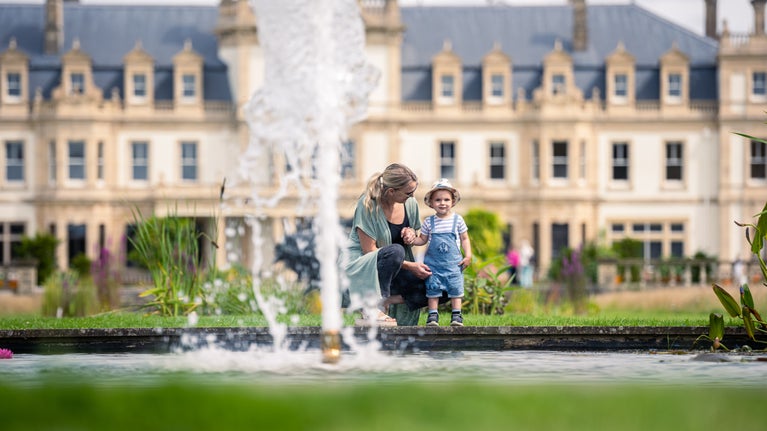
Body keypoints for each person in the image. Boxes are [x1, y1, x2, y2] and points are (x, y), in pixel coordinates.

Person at [344, 163, 435, 326]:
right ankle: (371, 305)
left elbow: (415, 233)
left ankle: (387, 301)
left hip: (396, 269)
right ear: (392, 191)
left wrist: (411, 233)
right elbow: (369, 251)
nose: (412, 196)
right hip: (365, 269)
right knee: (396, 251)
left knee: (439, 282)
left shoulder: (410, 204)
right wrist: (411, 266)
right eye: (408, 193)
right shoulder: (368, 206)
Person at [411, 179, 472, 327]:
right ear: (431, 203)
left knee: (456, 290)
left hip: (453, 265)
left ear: (453, 202)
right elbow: (422, 240)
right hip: (434, 266)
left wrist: (468, 255)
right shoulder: (428, 222)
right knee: (433, 290)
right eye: (438, 200)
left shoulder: (457, 220)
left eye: (446, 199)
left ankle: (456, 316)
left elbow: (465, 238)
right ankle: (433, 316)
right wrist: (412, 239)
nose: (442, 203)